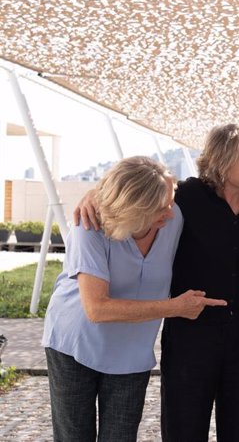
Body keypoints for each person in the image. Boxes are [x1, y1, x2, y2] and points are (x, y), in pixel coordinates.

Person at [74, 124, 239, 441]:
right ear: (222, 161)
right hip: (191, 334)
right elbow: (135, 187)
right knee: (183, 431)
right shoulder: (185, 198)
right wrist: (94, 194)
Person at [44, 156, 226, 442]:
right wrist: (175, 308)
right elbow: (96, 308)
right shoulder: (89, 226)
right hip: (74, 345)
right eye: (159, 207)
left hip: (131, 354)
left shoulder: (172, 218)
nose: (170, 211)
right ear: (135, 208)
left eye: (171, 200)